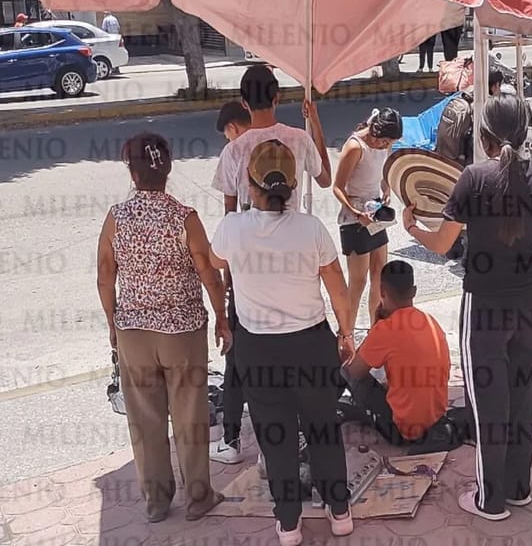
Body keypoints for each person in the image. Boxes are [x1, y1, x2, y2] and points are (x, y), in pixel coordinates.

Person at [401, 94, 532, 521]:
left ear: (484, 136)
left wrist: (411, 226)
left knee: (488, 403)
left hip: (485, 308)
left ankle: (490, 500)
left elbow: (442, 243)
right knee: (523, 398)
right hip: (530, 305)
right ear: (524, 135)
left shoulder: (473, 179)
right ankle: (519, 489)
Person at [209, 140, 356, 545]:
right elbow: (339, 290)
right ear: (292, 184)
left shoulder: (232, 228)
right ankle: (340, 512)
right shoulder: (311, 228)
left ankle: (289, 524)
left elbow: (215, 261)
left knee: (276, 436)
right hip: (312, 345)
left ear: (250, 184)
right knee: (323, 427)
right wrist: (346, 334)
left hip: (258, 351)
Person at [96, 132, 231, 523]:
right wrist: (222, 318)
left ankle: (156, 502)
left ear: (132, 173)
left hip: (133, 332)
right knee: (190, 416)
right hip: (183, 333)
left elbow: (105, 277)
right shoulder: (184, 217)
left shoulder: (116, 218)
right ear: (168, 169)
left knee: (145, 420)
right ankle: (199, 497)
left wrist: (113, 324)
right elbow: (209, 274)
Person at [340, 260, 450, 445]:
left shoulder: (386, 329)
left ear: (382, 292)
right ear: (414, 291)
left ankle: (326, 410)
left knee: (345, 370)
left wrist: (373, 328)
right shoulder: (430, 321)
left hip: (401, 432)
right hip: (435, 420)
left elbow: (354, 371)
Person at [212, 64, 331, 214]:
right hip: (291, 226)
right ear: (276, 98)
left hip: (251, 229)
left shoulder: (232, 150)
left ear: (244, 103)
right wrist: (315, 122)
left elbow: (230, 213)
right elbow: (326, 180)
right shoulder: (300, 139)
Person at [208, 101, 252, 464]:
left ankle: (232, 440)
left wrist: (226, 278)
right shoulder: (289, 140)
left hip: (243, 272)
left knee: (236, 360)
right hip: (283, 273)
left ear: (233, 128)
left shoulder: (233, 151)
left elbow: (228, 212)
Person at [333, 108, 402, 327]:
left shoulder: (385, 145)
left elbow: (382, 171)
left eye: (389, 143)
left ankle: (376, 328)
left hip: (375, 212)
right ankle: (347, 331)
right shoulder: (355, 147)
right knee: (358, 281)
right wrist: (356, 213)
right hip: (354, 218)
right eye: (385, 141)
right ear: (376, 132)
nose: (385, 146)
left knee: (379, 276)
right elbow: (337, 187)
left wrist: (386, 188)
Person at [436, 69, 505, 167]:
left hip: (445, 158)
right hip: (465, 163)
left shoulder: (467, 95)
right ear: (495, 86)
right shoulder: (485, 105)